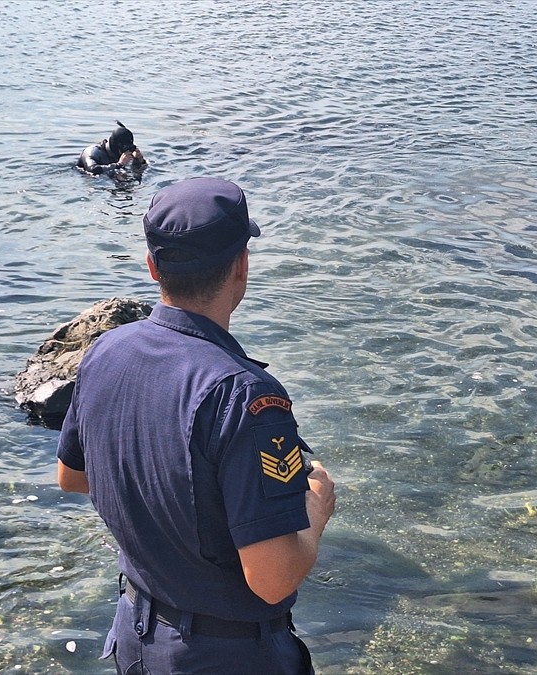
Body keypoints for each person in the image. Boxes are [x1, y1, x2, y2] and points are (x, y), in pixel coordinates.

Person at [56, 177, 336, 675]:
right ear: (241, 267)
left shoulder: (105, 352)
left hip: (135, 636)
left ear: (152, 267)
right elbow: (272, 579)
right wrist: (315, 510)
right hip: (225, 656)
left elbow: (72, 478)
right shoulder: (246, 395)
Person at [78, 120, 147, 176]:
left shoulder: (120, 155)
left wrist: (139, 162)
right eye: (123, 150)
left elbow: (135, 170)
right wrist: (119, 165)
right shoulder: (92, 152)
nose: (125, 153)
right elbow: (92, 169)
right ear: (115, 147)